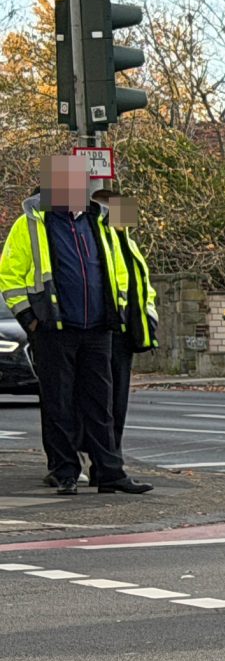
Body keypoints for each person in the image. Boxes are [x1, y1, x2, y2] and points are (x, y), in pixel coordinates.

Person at [0, 155, 150, 495]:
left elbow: (120, 271)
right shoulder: (32, 224)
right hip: (55, 328)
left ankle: (109, 472)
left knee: (101, 404)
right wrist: (30, 319)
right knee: (59, 403)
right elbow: (9, 276)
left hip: (98, 327)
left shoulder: (99, 221)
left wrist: (122, 312)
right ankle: (64, 471)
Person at [92, 188, 158, 447]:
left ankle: (111, 456)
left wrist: (148, 316)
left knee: (117, 401)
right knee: (99, 400)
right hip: (102, 328)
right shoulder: (99, 241)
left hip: (126, 332)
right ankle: (97, 457)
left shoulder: (128, 244)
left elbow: (142, 287)